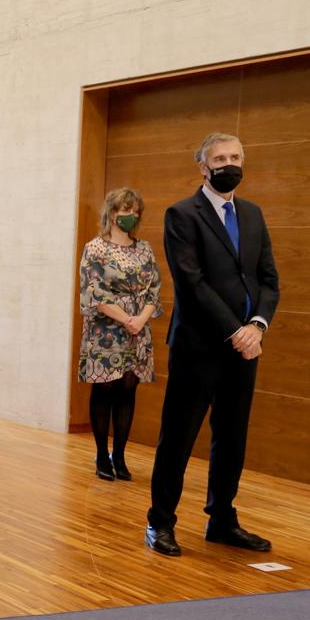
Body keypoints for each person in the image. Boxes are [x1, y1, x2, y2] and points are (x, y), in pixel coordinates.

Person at [145, 133, 279, 557]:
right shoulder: (182, 214)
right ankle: (160, 522)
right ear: (203, 167)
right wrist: (235, 329)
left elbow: (268, 279)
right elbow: (192, 283)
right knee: (179, 437)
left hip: (245, 348)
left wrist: (256, 324)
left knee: (232, 437)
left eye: (235, 156)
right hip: (198, 348)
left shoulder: (254, 215)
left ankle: (222, 518)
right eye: (219, 158)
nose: (228, 164)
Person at [78, 188, 161, 481]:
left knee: (128, 390)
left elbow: (154, 290)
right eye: (126, 209)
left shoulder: (145, 249)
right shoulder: (96, 248)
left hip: (138, 330)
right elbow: (94, 292)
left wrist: (140, 320)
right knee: (105, 390)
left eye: (136, 210)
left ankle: (120, 456)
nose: (131, 215)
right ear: (112, 213)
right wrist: (126, 318)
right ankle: (101, 454)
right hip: (105, 331)